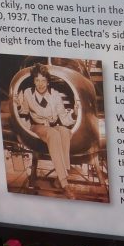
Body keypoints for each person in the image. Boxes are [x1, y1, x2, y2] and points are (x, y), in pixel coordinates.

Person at [16, 64, 77, 198]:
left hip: (53, 126)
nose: (40, 84)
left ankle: (62, 173)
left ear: (48, 82)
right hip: (37, 127)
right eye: (37, 80)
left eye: (43, 80)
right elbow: (24, 111)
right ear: (34, 81)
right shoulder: (27, 93)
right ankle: (64, 182)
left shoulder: (55, 95)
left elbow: (64, 119)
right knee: (54, 134)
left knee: (66, 132)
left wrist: (74, 114)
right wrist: (19, 105)